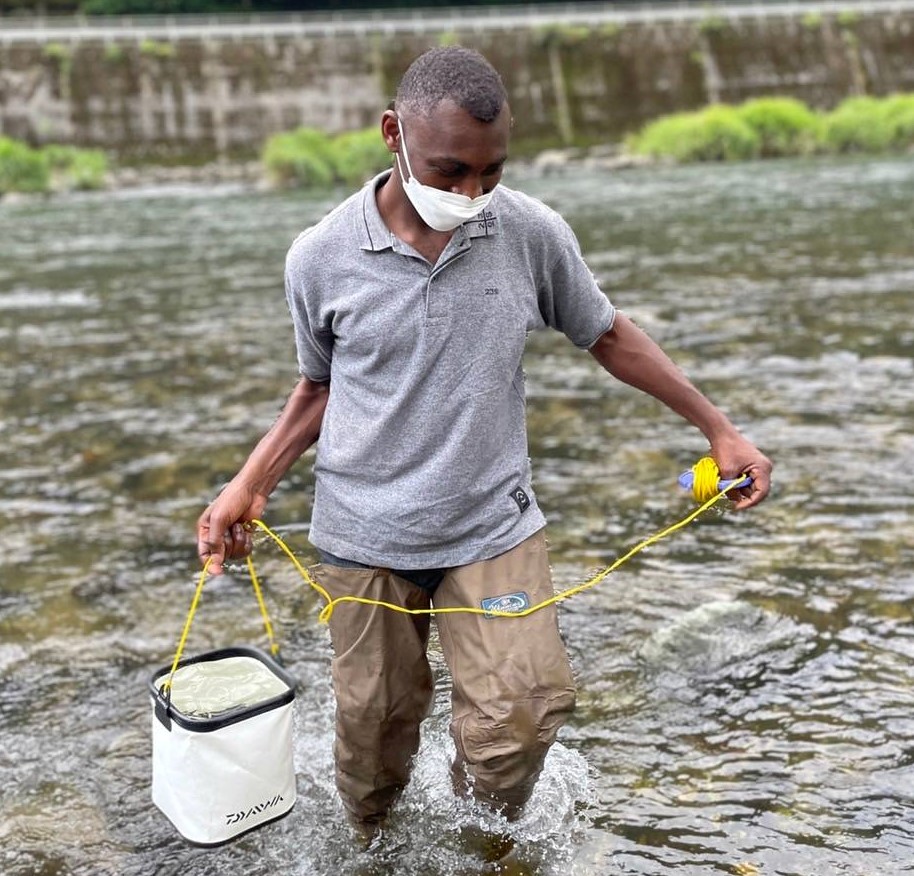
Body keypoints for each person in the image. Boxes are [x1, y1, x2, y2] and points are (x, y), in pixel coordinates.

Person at [196, 46, 772, 833]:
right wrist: (250, 484)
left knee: (524, 715)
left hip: (491, 526)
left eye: (490, 172)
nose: (470, 194)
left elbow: (606, 334)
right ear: (392, 133)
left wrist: (720, 428)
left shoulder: (528, 232)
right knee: (372, 740)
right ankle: (374, 841)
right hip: (366, 534)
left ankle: (478, 837)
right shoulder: (319, 257)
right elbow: (319, 387)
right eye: (449, 172)